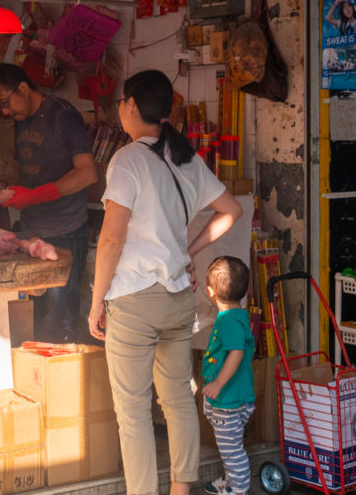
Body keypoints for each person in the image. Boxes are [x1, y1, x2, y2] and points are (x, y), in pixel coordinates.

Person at [87, 69, 242, 495]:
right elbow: (231, 211)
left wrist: (97, 299)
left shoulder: (128, 160)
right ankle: (181, 490)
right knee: (176, 401)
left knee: (133, 411)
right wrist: (187, 253)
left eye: (121, 101)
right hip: (177, 298)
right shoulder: (186, 158)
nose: (120, 108)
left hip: (134, 301)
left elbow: (112, 238)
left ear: (132, 105)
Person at [0, 62, 97, 343]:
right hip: (30, 232)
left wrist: (36, 195)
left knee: (59, 323)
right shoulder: (20, 121)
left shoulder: (63, 117)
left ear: (23, 88)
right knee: (31, 321)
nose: (4, 111)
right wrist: (0, 188)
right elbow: (19, 169)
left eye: (5, 102)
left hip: (65, 232)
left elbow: (87, 172)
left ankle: (59, 382)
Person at [200, 256, 255, 495]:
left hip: (229, 399)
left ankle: (238, 488)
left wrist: (219, 383)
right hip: (229, 398)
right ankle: (232, 479)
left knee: (231, 448)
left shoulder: (230, 322)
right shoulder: (236, 316)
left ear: (210, 291)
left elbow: (236, 354)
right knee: (228, 444)